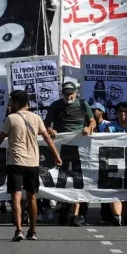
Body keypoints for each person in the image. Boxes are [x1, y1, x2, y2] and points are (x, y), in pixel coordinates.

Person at [0, 90, 62, 242]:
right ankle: (33, 230)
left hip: (15, 161)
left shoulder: (11, 118)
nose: (10, 104)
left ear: (16, 102)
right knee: (32, 196)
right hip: (32, 162)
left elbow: (1, 137)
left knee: (16, 195)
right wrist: (56, 155)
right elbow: (47, 138)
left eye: (11, 101)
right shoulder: (36, 118)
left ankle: (18, 230)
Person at [44, 81, 95, 226]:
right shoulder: (55, 106)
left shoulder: (83, 104)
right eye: (66, 94)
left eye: (71, 93)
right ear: (62, 94)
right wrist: (50, 130)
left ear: (76, 93)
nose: (69, 96)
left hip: (81, 148)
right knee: (64, 178)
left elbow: (92, 121)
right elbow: (45, 125)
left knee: (80, 178)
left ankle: (77, 213)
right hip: (63, 148)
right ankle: (65, 207)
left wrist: (88, 128)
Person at [104, 102, 127, 225]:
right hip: (113, 164)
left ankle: (126, 216)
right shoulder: (110, 127)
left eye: (125, 111)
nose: (123, 114)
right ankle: (117, 216)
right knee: (114, 190)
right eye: (120, 111)